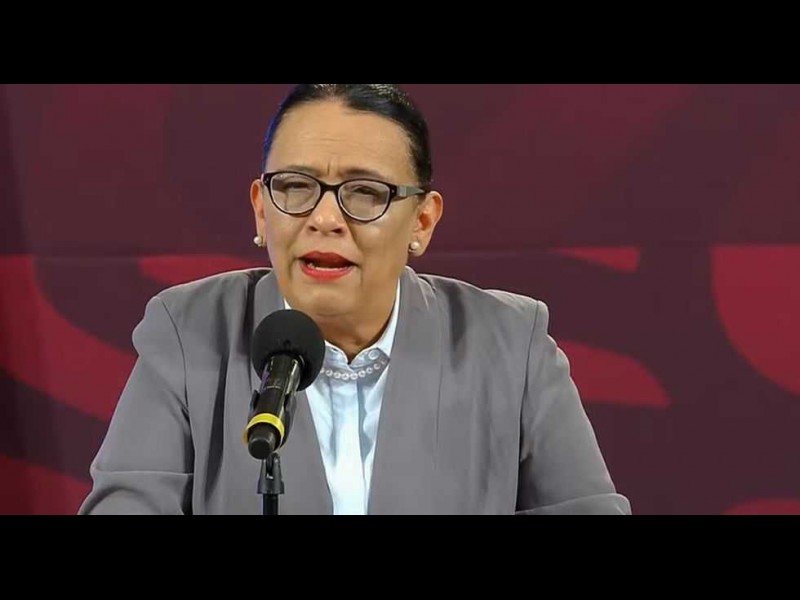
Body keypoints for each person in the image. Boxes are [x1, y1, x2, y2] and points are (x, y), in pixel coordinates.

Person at [79, 84, 631, 515]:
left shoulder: (512, 346)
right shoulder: (188, 331)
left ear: (422, 221)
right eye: (295, 186)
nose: (324, 219)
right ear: (261, 210)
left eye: (364, 193)